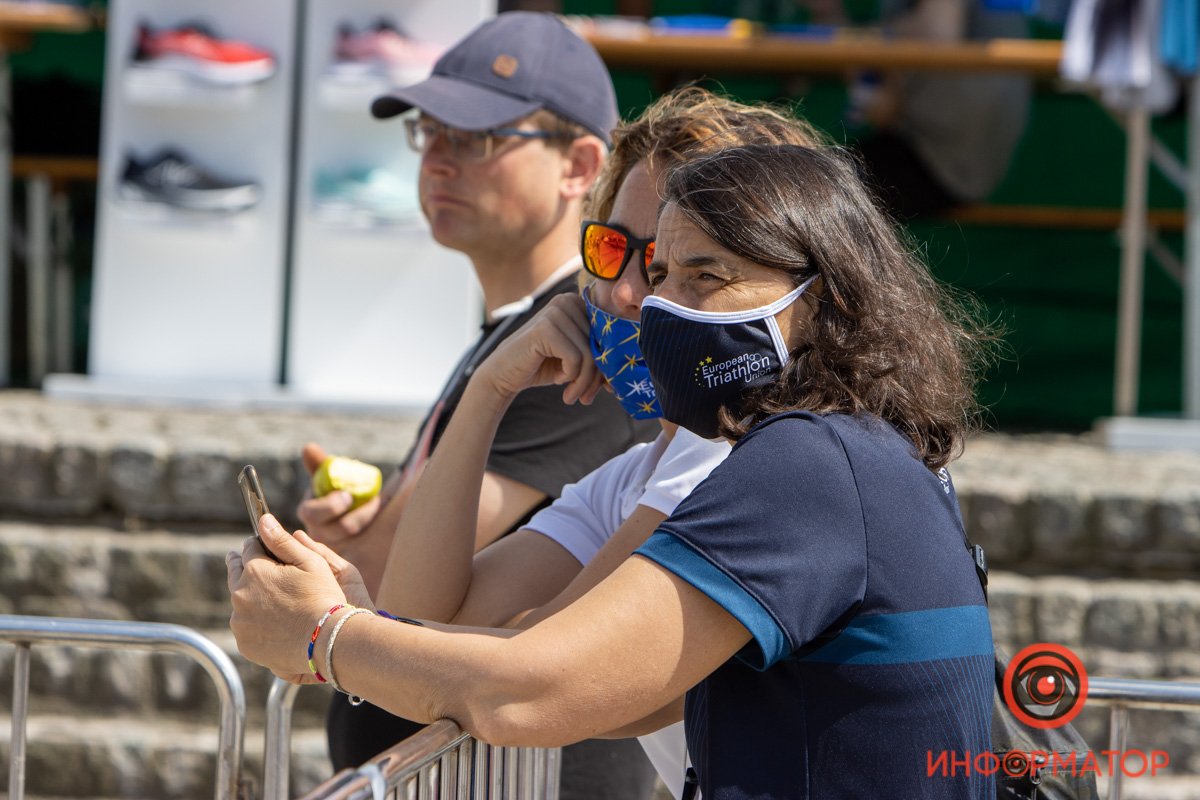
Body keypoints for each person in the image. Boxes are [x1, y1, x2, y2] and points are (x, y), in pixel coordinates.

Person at [229, 143, 996, 799]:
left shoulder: (807, 463)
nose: (655, 305)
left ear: (821, 294)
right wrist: (366, 625)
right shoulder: (845, 446)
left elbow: (535, 690)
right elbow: (624, 694)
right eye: (661, 274)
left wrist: (325, 635)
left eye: (707, 277)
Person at [369, 86, 827, 798]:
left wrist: (324, 637)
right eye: (614, 250)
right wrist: (491, 385)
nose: (624, 293)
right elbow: (418, 616)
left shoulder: (742, 454)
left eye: (676, 264)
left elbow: (528, 677)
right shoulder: (643, 471)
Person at [300, 11, 659, 792]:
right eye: (429, 132)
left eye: (476, 137)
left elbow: (392, 589)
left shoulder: (586, 346)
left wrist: (331, 568)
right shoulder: (523, 334)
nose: (436, 158)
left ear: (580, 165)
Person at [850, 0, 1031, 219]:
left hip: (941, 162)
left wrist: (867, 39)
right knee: (827, 182)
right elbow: (883, 111)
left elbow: (937, 36)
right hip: (946, 161)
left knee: (825, 185)